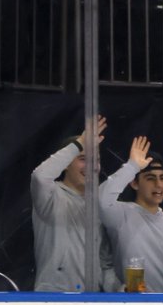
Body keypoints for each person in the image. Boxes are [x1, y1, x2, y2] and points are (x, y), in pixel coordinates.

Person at [98, 136, 163, 293]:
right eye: (150, 178)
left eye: (162, 178)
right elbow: (100, 200)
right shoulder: (121, 214)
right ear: (134, 183)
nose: (158, 185)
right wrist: (132, 167)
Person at [30, 114, 118, 292]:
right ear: (65, 164)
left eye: (96, 160)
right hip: (52, 299)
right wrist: (79, 143)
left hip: (91, 303)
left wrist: (119, 289)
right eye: (83, 159)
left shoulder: (99, 204)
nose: (91, 166)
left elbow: (104, 266)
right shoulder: (50, 195)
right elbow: (39, 176)